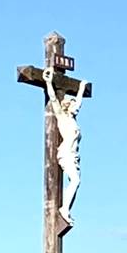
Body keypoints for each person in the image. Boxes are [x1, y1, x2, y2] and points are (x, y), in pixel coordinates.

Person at [43, 70, 87, 225]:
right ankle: (64, 209)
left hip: (74, 155)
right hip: (66, 153)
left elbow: (79, 103)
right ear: (68, 106)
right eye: (74, 105)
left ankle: (66, 209)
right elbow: (54, 100)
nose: (77, 107)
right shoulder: (62, 117)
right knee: (75, 181)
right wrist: (48, 82)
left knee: (76, 181)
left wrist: (81, 88)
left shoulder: (73, 120)